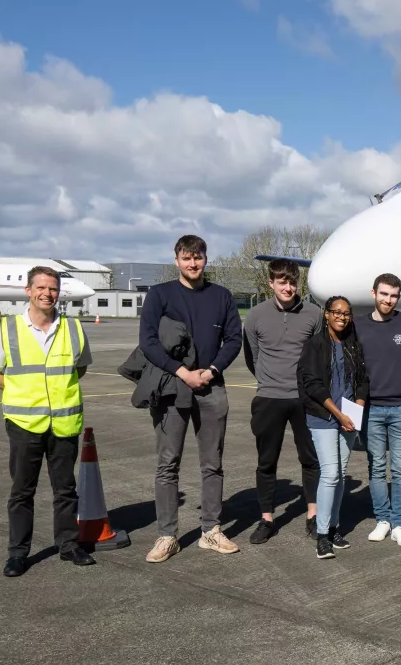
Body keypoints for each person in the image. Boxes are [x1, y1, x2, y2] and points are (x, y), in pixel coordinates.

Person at [0, 266, 95, 577]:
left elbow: (79, 369)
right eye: (41, 288)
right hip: (24, 425)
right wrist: (20, 389)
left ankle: (69, 546)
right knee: (22, 491)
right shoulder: (9, 329)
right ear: (28, 291)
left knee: (66, 488)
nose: (48, 293)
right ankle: (18, 553)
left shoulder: (72, 329)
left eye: (53, 289)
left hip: (63, 423)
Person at [141, 235, 242, 563]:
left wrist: (211, 370)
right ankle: (167, 535)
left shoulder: (222, 296)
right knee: (167, 463)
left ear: (205, 260)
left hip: (212, 386)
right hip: (172, 386)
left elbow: (233, 339)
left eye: (198, 258)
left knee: (212, 463)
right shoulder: (160, 295)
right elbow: (148, 342)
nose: (193, 263)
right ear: (177, 261)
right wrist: (182, 372)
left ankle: (210, 531)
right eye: (187, 258)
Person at [243, 259, 322, 544]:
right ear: (271, 284)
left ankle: (313, 515)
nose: (288, 287)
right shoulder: (255, 315)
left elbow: (317, 356)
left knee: (311, 459)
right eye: (282, 282)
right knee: (266, 462)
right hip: (268, 398)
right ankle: (267, 519)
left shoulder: (314, 314)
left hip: (304, 400)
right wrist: (270, 380)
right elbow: (252, 357)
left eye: (292, 282)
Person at [297, 296, 369, 559]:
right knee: (329, 473)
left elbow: (362, 381)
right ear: (325, 314)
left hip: (348, 419)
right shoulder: (314, 345)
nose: (341, 316)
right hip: (324, 419)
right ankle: (322, 534)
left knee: (339, 473)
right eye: (336, 312)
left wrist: (357, 408)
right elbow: (313, 385)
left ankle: (334, 526)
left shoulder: (352, 345)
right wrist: (339, 414)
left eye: (346, 313)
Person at [354, 273, 401, 547]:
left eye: (393, 296)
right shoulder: (358, 326)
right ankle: (382, 519)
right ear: (373, 293)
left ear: (398, 298)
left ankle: (399, 524)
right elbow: (352, 370)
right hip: (371, 410)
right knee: (377, 467)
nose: (388, 300)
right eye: (383, 294)